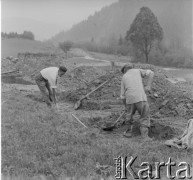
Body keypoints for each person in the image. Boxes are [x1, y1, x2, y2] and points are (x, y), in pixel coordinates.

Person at [120, 63, 154, 140]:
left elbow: (122, 96)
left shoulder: (124, 77)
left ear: (125, 70)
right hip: (140, 98)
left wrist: (126, 107)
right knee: (144, 116)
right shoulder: (137, 70)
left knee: (129, 117)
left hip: (129, 100)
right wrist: (148, 86)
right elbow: (151, 73)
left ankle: (128, 133)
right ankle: (144, 137)